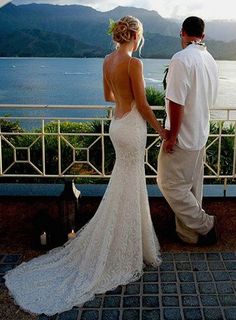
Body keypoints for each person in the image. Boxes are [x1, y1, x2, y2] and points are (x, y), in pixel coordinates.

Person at [4, 16, 165, 316]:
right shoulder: (134, 65)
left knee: (124, 181)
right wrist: (161, 130)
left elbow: (108, 96)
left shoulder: (106, 61)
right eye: (140, 35)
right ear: (135, 36)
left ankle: (129, 242)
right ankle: (128, 248)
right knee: (131, 181)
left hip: (116, 125)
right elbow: (143, 104)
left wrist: (123, 100)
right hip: (132, 126)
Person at [157, 16, 219, 245]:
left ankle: (205, 224)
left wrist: (171, 136)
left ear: (182, 33)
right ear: (202, 35)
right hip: (201, 131)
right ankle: (189, 236)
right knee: (192, 187)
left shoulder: (181, 59)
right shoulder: (209, 59)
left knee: (168, 183)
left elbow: (175, 101)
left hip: (183, 135)